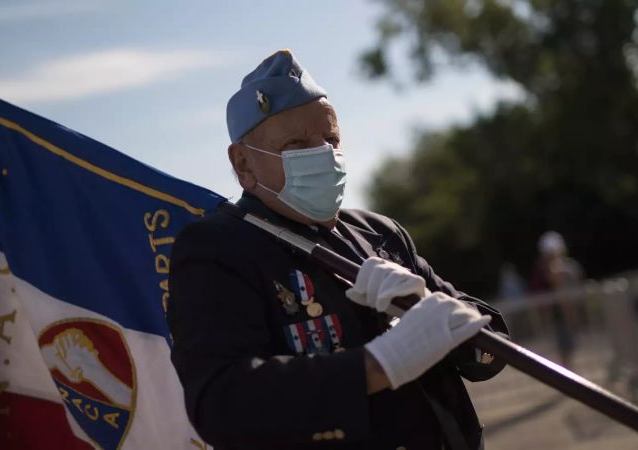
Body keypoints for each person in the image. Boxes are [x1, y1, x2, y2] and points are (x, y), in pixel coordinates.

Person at [168, 50, 508, 450]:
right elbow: (223, 403)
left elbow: (491, 345)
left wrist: (428, 305)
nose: (324, 155)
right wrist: (378, 366)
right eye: (296, 144)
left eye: (331, 139)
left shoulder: (379, 233)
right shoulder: (218, 249)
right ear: (243, 164)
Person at [529, 231, 583, 367]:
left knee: (567, 348)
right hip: (558, 315)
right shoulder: (547, 270)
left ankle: (569, 373)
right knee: (564, 349)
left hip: (563, 314)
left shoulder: (565, 267)